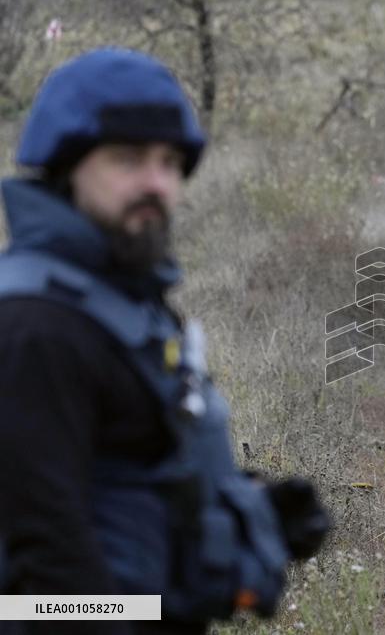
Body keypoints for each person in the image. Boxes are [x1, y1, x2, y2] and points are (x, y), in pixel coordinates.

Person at [0, 47, 329, 634]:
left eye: (170, 162)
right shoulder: (37, 326)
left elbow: (130, 479)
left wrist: (250, 513)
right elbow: (46, 573)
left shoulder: (118, 300)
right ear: (66, 165)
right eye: (128, 159)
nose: (157, 183)